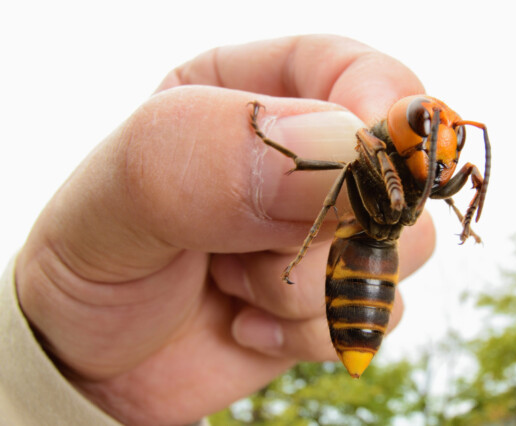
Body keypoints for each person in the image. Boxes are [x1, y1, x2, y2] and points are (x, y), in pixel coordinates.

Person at [0, 35, 435, 425]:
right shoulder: (368, 142)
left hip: (370, 263)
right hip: (359, 266)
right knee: (340, 166)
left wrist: (79, 397)